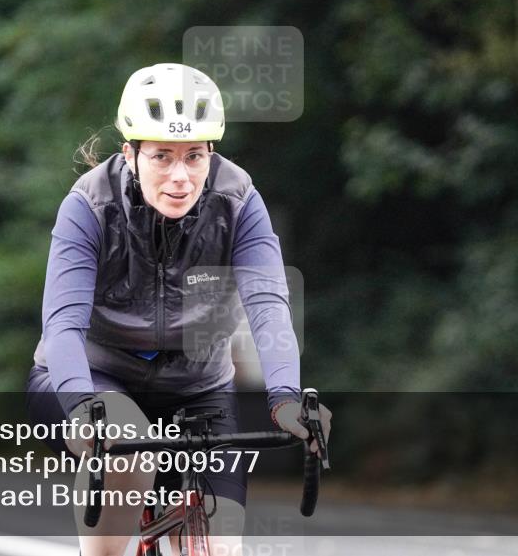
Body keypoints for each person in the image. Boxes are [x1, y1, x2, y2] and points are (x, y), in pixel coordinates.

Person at [26, 63, 332, 556]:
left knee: (220, 548)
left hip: (198, 390)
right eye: (162, 156)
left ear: (212, 153)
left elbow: (268, 304)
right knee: (128, 451)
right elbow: (62, 324)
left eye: (194, 156)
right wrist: (82, 408)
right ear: (130, 153)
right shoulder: (88, 206)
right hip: (96, 383)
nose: (180, 176)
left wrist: (286, 397)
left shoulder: (238, 201)